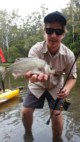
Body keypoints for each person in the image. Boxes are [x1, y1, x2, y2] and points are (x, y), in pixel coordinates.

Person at [21, 11, 77, 140]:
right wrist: (31, 77)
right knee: (25, 112)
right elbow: (29, 73)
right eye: (49, 30)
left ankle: (57, 139)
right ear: (44, 32)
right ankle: (28, 134)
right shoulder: (35, 49)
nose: (53, 35)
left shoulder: (69, 55)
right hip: (37, 85)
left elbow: (72, 77)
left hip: (56, 87)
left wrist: (67, 89)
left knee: (57, 115)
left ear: (63, 34)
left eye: (58, 32)